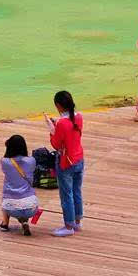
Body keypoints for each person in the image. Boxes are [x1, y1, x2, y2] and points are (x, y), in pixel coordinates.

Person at [47, 90, 85, 236]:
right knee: (77, 191)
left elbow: (56, 144)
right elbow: (71, 132)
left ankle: (68, 226)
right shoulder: (78, 117)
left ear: (58, 105)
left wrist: (52, 130)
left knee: (66, 194)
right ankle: (77, 221)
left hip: (66, 161)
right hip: (79, 158)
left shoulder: (62, 123)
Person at [0, 135, 39, 236]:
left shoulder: (4, 162)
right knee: (24, 202)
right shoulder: (32, 161)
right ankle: (24, 221)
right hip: (31, 207)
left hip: (11, 207)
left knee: (7, 193)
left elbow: (6, 158)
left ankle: (5, 223)